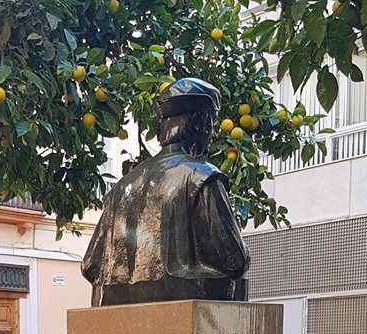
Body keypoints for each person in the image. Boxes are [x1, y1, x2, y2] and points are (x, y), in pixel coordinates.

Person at [82, 77, 251, 306]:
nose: (212, 134)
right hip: (187, 310)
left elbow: (91, 265)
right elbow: (235, 261)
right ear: (200, 122)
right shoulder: (201, 177)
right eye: (211, 123)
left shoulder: (121, 189)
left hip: (119, 315)